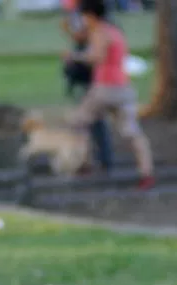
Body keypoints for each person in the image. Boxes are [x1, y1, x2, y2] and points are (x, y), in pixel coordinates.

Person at [65, 0, 155, 190]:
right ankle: (146, 173)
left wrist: (74, 56)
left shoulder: (100, 32)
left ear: (90, 16)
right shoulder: (114, 30)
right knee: (131, 132)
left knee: (78, 123)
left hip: (105, 88)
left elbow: (97, 56)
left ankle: (83, 164)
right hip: (123, 87)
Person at [59, 0, 115, 174]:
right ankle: (94, 160)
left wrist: (74, 57)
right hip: (92, 79)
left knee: (84, 122)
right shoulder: (94, 23)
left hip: (97, 81)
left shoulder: (100, 26)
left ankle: (92, 161)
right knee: (90, 122)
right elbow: (82, 38)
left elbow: (95, 55)